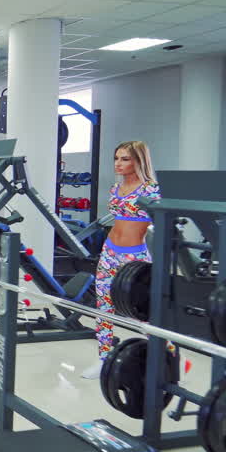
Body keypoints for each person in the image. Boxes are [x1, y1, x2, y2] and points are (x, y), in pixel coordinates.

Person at [85, 141, 162, 380]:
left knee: (142, 311)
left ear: (139, 161)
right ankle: (104, 358)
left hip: (134, 255)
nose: (118, 163)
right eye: (116, 158)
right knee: (104, 306)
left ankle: (169, 355)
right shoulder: (115, 188)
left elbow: (163, 222)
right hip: (109, 251)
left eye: (125, 159)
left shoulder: (151, 189)